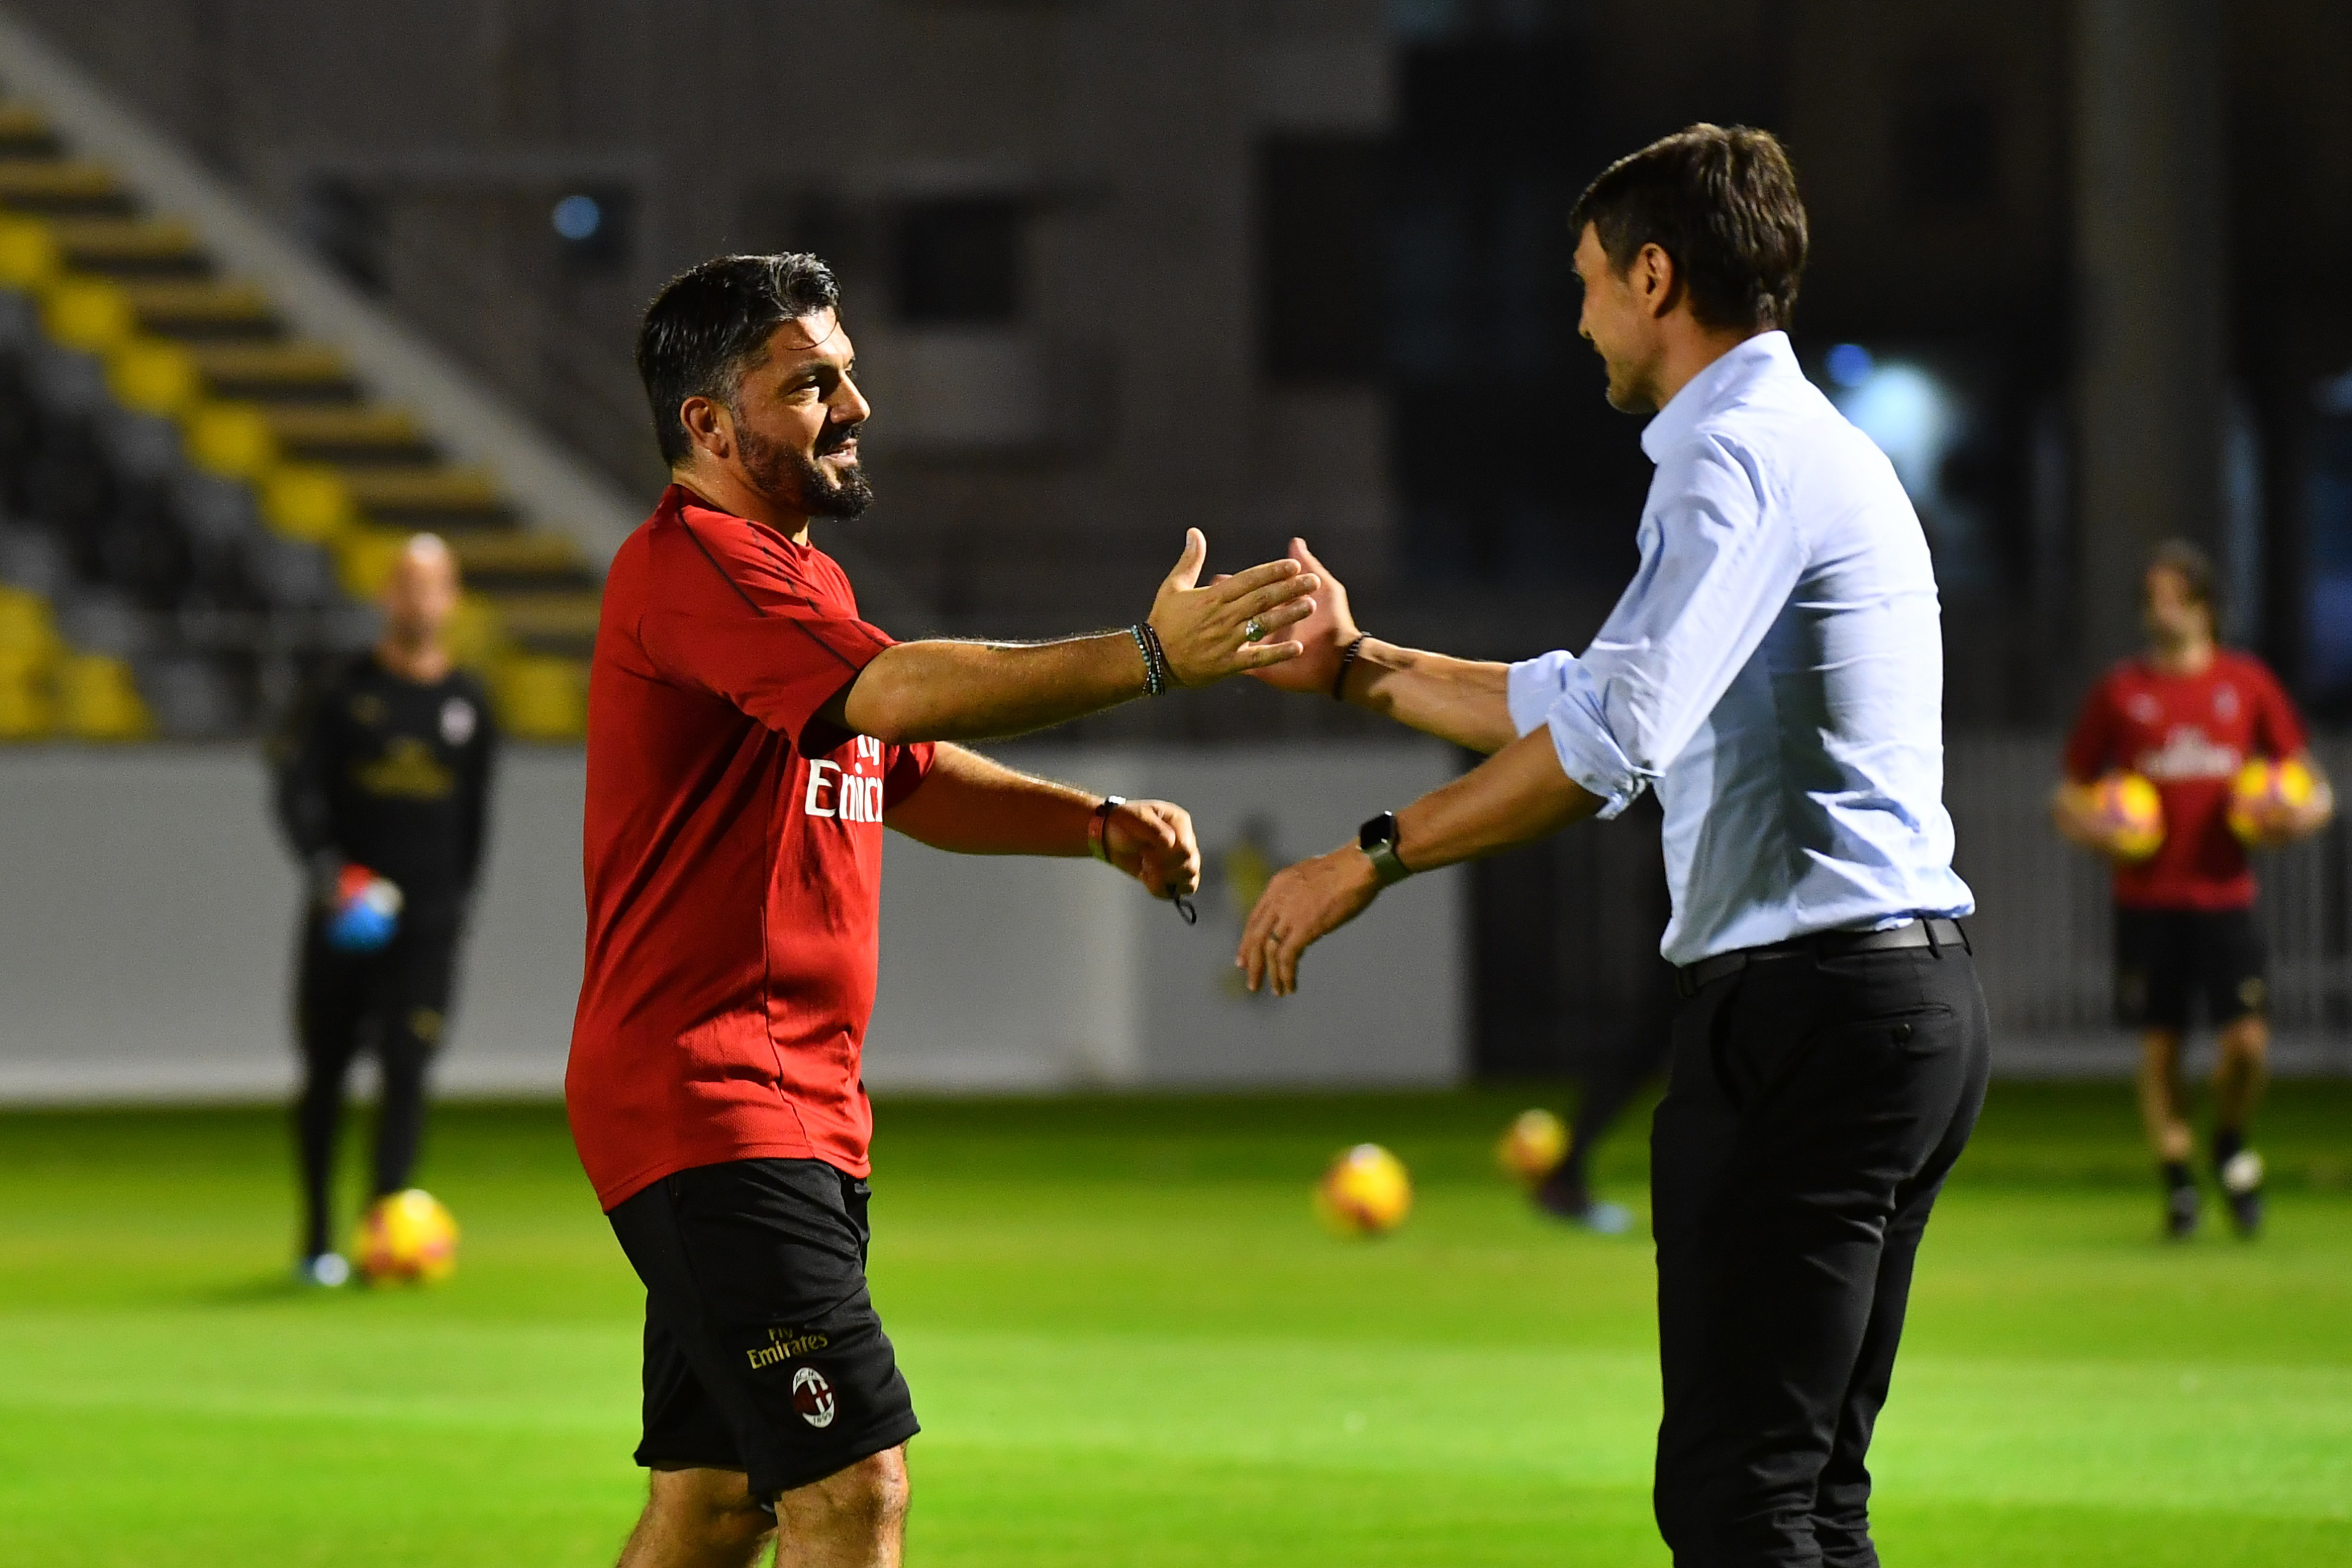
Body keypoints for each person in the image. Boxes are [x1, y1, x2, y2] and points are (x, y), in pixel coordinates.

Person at [1237, 125, 1985, 1566]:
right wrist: (1353, 664)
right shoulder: (1796, 443)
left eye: (1585, 280)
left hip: (1809, 1015)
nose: (1574, 314)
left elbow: (1603, 751)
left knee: (1739, 1502)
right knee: (1808, 1499)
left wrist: (1365, 858)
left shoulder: (1733, 456)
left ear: (1656, 276)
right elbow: (1586, 696)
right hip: (1885, 1005)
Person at [570, 253, 1318, 1568]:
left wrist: (1092, 825)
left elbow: (904, 770)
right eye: (812, 384)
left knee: (716, 1505)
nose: (856, 403)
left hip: (782, 1105)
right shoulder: (697, 568)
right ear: (709, 424)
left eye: (849, 372)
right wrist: (1150, 658)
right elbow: (906, 699)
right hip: (714, 1102)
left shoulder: (796, 593)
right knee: (853, 1490)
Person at [2052, 541, 2334, 1239]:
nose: (2158, 606)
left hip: (2225, 897)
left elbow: (2311, 786)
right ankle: (2178, 1181)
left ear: (2206, 604)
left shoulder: (2246, 685)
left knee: (2247, 1046)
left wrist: (2299, 815)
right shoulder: (2122, 693)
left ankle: (2230, 1138)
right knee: (2161, 1047)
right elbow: (2069, 797)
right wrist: (2097, 830)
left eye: (2172, 594)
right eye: (2150, 595)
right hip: (2147, 901)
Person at [272, 534, 495, 1287]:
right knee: (325, 1074)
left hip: (426, 931)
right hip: (344, 920)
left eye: (431, 585)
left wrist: (457, 912)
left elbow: (475, 823)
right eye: (405, 583)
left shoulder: (471, 703)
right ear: (386, 596)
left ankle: (383, 1229)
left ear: (452, 598)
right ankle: (315, 1238)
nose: (418, 599)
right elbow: (294, 792)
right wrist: (330, 873)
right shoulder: (342, 693)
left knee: (407, 1072)